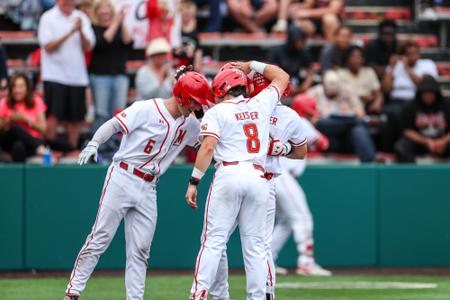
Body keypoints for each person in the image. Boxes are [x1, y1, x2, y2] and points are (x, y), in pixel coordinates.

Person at [63, 67, 211, 300]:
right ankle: (72, 293)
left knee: (141, 251)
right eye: (194, 101)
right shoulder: (147, 108)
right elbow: (113, 124)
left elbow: (210, 137)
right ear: (182, 95)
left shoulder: (190, 123)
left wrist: (203, 111)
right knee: (99, 238)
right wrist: (94, 142)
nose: (197, 107)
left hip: (149, 186)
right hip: (123, 176)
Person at [185, 61, 289, 300]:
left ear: (222, 88)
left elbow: (208, 146)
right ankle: (257, 297)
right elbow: (281, 75)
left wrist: (194, 181)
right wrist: (252, 64)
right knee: (255, 248)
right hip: (258, 175)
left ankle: (198, 294)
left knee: (213, 241)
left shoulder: (217, 112)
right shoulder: (261, 104)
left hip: (229, 173)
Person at [208, 69, 308, 300]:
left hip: (265, 179)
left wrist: (283, 149)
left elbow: (301, 151)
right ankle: (222, 295)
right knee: (219, 241)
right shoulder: (248, 107)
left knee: (254, 247)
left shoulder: (286, 115)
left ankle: (265, 294)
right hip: (245, 175)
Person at [271, 94, 331, 276]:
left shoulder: (283, 119)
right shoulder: (301, 122)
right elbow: (324, 143)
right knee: (302, 218)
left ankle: (268, 261)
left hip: (273, 174)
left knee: (286, 221)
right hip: (283, 175)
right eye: (312, 112)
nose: (315, 115)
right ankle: (306, 262)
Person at [38, 0, 96, 148]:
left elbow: (88, 46)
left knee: (76, 117)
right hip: (54, 75)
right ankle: (48, 150)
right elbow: (48, 46)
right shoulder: (48, 17)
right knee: (53, 115)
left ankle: (72, 150)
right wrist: (70, 31)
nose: (68, 2)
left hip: (77, 77)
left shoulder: (81, 18)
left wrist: (81, 31)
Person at [307, 70, 376, 162]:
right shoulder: (313, 93)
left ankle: (370, 163)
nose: (332, 95)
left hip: (346, 136)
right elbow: (310, 120)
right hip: (325, 133)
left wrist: (347, 111)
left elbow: (360, 113)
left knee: (358, 129)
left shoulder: (347, 91)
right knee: (357, 122)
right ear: (323, 85)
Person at [382, 40, 438, 150]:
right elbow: (387, 90)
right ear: (404, 55)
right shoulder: (395, 66)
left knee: (404, 113)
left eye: (415, 53)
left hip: (418, 102)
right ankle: (389, 149)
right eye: (409, 53)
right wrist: (392, 68)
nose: (413, 56)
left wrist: (407, 68)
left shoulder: (427, 64)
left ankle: (408, 145)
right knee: (389, 113)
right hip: (397, 101)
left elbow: (425, 86)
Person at [89, 0, 133, 129]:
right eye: (101, 8)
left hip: (119, 74)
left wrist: (122, 22)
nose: (104, 11)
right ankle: (100, 144)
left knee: (119, 113)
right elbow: (104, 40)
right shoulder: (93, 27)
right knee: (101, 113)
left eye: (107, 7)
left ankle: (116, 143)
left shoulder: (119, 25)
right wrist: (116, 22)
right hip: (100, 76)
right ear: (96, 12)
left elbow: (128, 42)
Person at [395, 75, 450, 163]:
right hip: (420, 142)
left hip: (444, 142)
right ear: (420, 93)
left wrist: (443, 141)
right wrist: (427, 142)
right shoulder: (410, 106)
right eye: (425, 93)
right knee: (401, 147)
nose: (428, 96)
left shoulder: (447, 104)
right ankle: (411, 174)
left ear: (436, 93)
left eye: (431, 93)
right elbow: (407, 131)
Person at [0, 73, 47, 162]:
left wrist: (25, 119)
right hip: (9, 141)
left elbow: (43, 128)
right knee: (15, 128)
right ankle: (40, 149)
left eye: (21, 86)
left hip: (30, 142)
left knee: (19, 146)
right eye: (14, 87)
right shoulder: (5, 102)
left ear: (27, 88)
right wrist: (9, 120)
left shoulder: (36, 100)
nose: (17, 90)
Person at [268, 25, 314, 94]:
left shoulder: (304, 53)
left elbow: (310, 73)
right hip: (279, 84)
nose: (300, 43)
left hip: (297, 84)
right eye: (298, 40)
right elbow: (271, 72)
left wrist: (303, 87)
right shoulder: (277, 51)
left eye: (302, 40)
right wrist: (283, 85)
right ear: (291, 39)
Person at [337, 45, 383, 114]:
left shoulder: (369, 71)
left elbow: (378, 93)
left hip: (368, 106)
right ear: (347, 58)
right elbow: (340, 96)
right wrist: (362, 97)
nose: (356, 60)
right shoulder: (340, 73)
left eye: (359, 57)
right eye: (353, 57)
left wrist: (377, 103)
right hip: (349, 107)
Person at [273, 0, 344, 41]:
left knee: (329, 19)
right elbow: (308, 4)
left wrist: (307, 13)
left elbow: (333, 10)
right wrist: (297, 8)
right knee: (299, 23)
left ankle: (330, 51)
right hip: (315, 22)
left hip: (332, 22)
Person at [173, 1, 203, 72]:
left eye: (189, 14)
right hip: (177, 63)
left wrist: (197, 62)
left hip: (190, 65)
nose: (187, 16)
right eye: (185, 14)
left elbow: (198, 48)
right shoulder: (176, 28)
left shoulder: (196, 28)